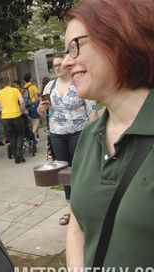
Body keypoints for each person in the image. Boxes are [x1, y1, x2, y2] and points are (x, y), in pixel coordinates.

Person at [62, 0, 154, 268]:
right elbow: (77, 226)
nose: (67, 61)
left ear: (121, 37)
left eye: (75, 46)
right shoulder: (90, 134)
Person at [38, 52, 98, 226]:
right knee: (65, 173)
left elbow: (92, 110)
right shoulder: (49, 86)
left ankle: (87, 204)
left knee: (81, 169)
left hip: (79, 132)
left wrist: (93, 133)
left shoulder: (79, 81)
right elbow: (42, 112)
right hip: (58, 135)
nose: (56, 67)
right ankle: (70, 207)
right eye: (54, 65)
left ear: (67, 64)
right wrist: (41, 110)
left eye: (59, 64)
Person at [0, 77, 26, 164]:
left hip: (6, 117)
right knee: (21, 134)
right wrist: (22, 110)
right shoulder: (15, 90)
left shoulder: (0, 93)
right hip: (16, 115)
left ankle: (16, 155)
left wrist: (3, 111)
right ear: (9, 82)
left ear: (2, 84)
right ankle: (18, 152)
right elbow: (22, 101)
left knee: (11, 137)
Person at [23, 73, 41, 139]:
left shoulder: (24, 87)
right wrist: (39, 103)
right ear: (30, 78)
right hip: (33, 104)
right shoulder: (33, 86)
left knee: (33, 121)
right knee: (38, 120)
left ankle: (35, 137)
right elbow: (36, 97)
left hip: (28, 106)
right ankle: (32, 134)